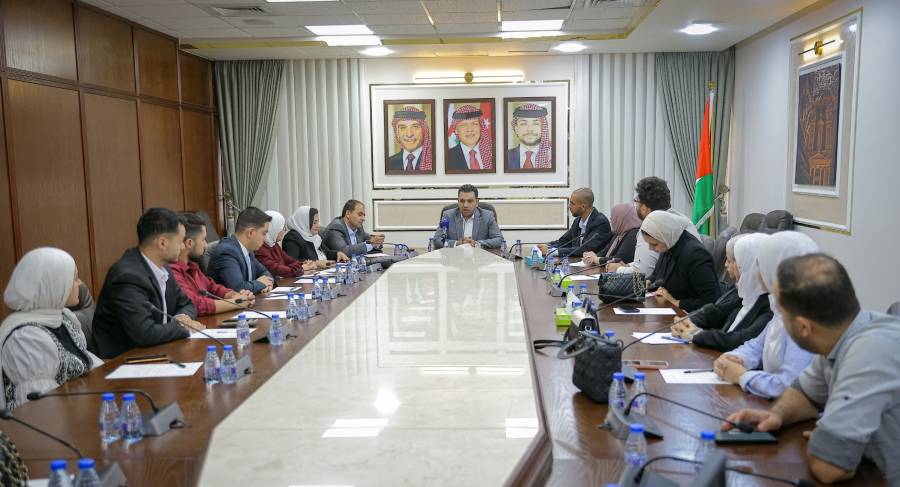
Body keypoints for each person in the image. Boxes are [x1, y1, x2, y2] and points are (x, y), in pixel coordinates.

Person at [724, 254, 900, 485]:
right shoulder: (841, 335)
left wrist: (827, 444)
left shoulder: (870, 352)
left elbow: (829, 468)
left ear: (804, 327)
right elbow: (805, 393)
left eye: (783, 315)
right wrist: (776, 416)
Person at [713, 231, 817, 398]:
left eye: (760, 266)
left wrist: (741, 376)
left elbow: (788, 386)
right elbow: (756, 346)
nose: (757, 273)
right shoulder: (780, 307)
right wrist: (735, 358)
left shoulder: (804, 319)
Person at [91, 208, 202, 359]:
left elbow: (187, 304)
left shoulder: (164, 269)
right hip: (122, 362)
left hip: (159, 352)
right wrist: (182, 326)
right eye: (180, 241)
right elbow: (145, 334)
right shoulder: (127, 276)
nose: (183, 247)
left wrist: (182, 317)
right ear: (162, 243)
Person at [0, 248, 102, 409]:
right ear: (53, 285)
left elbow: (85, 360)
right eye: (75, 278)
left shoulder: (64, 318)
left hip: (78, 409)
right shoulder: (26, 338)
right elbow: (42, 408)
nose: (80, 284)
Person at [670, 233, 773, 352]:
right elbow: (716, 312)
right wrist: (687, 323)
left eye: (734, 261)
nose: (726, 265)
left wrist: (695, 334)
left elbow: (739, 340)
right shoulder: (745, 293)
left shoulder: (770, 306)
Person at [608, 177, 700, 275]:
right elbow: (652, 263)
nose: (635, 206)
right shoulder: (683, 219)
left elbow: (642, 274)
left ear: (644, 208)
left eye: (636, 201)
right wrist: (628, 266)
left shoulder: (652, 228)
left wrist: (618, 269)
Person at [170, 212, 255, 317]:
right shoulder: (172, 271)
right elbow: (195, 304)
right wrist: (236, 302)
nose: (206, 245)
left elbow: (212, 287)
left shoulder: (192, 265)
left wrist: (238, 296)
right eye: (203, 239)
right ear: (189, 243)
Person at [642, 210, 721, 312]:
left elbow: (711, 301)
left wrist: (675, 302)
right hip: (667, 311)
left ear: (665, 235)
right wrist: (648, 282)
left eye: (654, 244)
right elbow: (657, 275)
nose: (651, 248)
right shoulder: (669, 244)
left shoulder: (695, 255)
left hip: (690, 317)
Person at [208, 207, 275, 294]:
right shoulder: (227, 251)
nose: (265, 238)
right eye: (263, 233)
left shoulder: (248, 250)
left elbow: (265, 272)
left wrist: (268, 285)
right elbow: (238, 288)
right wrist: (261, 284)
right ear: (250, 233)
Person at [538, 188, 611, 258]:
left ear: (583, 206)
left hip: (594, 265)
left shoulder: (601, 223)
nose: (569, 206)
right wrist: (547, 246)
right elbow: (564, 241)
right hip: (576, 263)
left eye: (572, 203)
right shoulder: (578, 220)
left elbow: (585, 249)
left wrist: (552, 251)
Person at [433, 184, 504, 249]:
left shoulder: (488, 216)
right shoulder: (448, 215)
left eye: (470, 201)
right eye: (462, 201)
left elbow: (499, 239)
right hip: (454, 256)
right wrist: (457, 243)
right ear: (458, 201)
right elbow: (437, 239)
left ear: (477, 202)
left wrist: (477, 244)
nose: (465, 205)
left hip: (480, 257)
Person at [282, 206, 347, 265]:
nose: (318, 225)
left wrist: (337, 254)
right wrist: (316, 263)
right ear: (303, 223)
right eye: (314, 223)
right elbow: (292, 262)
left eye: (318, 221)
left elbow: (326, 253)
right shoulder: (292, 238)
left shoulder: (315, 237)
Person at [254, 210, 305, 278]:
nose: (284, 230)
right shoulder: (259, 248)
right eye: (282, 228)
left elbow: (293, 261)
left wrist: (287, 268)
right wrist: (293, 269)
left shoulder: (274, 245)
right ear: (274, 228)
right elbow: (276, 269)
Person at [446, 105, 493, 171]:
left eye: (474, 124)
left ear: (481, 127)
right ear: (456, 130)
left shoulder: (493, 153)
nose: (470, 129)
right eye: (463, 125)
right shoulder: (447, 157)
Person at [387, 106, 433, 173]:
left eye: (415, 127)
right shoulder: (388, 163)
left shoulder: (434, 161)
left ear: (424, 130)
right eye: (402, 127)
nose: (409, 134)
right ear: (397, 133)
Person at [507, 103, 552, 170]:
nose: (530, 129)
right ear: (516, 129)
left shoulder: (551, 157)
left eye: (536, 123)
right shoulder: (506, 156)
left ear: (543, 128)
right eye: (523, 124)